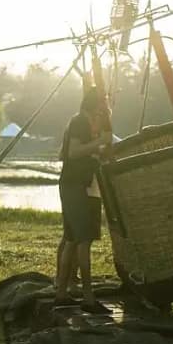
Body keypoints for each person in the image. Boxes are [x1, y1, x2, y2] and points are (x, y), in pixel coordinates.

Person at [54, 87, 112, 313]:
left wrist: (101, 147)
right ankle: (88, 297)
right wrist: (99, 143)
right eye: (103, 102)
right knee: (83, 240)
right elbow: (72, 153)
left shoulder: (91, 125)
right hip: (75, 186)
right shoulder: (79, 121)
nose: (105, 106)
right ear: (94, 104)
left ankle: (61, 295)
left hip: (82, 185)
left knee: (71, 239)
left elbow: (85, 154)